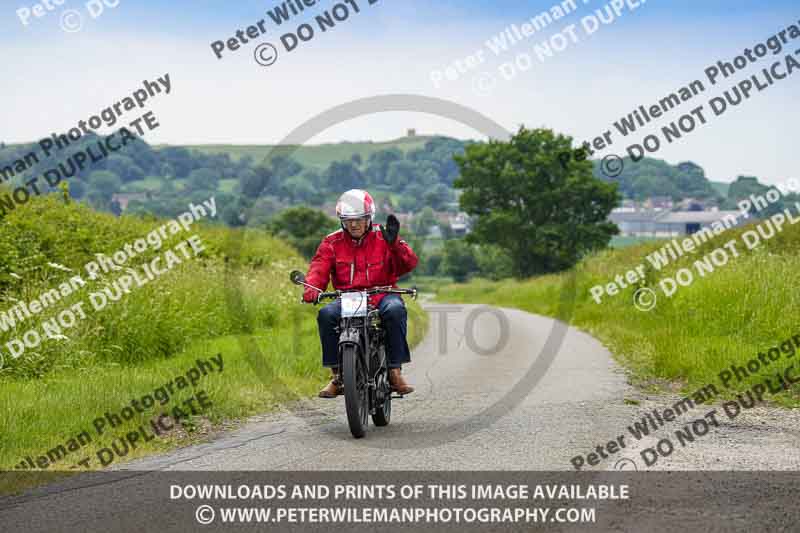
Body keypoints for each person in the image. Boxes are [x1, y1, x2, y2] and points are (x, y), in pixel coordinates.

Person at [302, 189, 419, 398]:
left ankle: (394, 371)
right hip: (347, 297)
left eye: (359, 219)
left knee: (395, 310)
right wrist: (312, 288)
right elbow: (318, 268)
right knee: (326, 315)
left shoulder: (384, 237)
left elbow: (408, 264)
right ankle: (337, 375)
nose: (354, 224)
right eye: (348, 220)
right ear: (341, 220)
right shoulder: (331, 242)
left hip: (382, 293)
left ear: (369, 218)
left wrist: (395, 245)